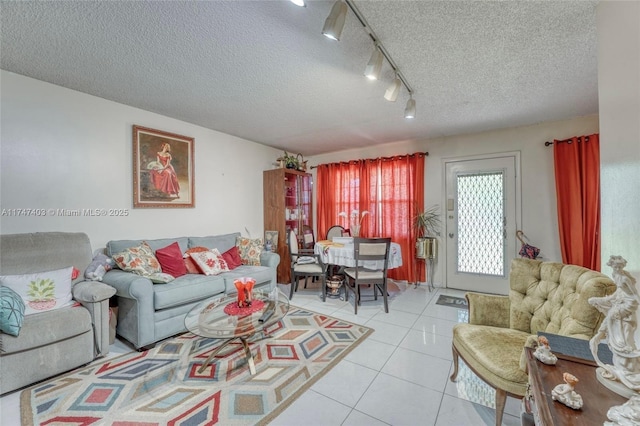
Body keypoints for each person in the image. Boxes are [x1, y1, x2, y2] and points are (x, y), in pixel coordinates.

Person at [589, 255, 640, 391]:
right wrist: (599, 300)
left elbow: (634, 294)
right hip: (622, 300)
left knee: (612, 316)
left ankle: (621, 346)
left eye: (619, 267)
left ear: (622, 266)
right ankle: (618, 344)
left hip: (630, 302)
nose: (617, 269)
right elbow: (617, 293)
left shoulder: (624, 278)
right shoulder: (616, 275)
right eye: (615, 267)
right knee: (612, 317)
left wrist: (629, 302)